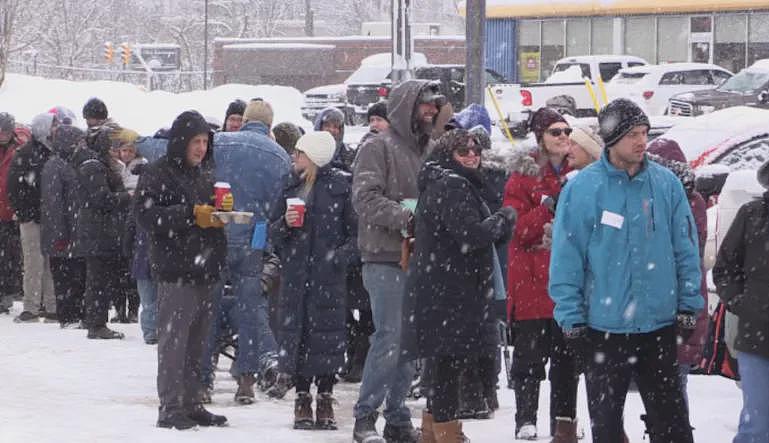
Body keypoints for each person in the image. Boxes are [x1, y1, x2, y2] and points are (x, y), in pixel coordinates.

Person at [549, 98, 703, 443]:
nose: (641, 141)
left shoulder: (666, 185)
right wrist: (571, 318)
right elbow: (566, 258)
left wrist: (689, 304)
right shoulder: (583, 189)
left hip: (659, 327)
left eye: (644, 133)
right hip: (604, 331)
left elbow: (685, 250)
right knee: (606, 429)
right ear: (611, 138)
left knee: (673, 429)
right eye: (632, 133)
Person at [351, 79, 446, 443]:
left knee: (411, 342)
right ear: (407, 106)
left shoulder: (432, 149)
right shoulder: (377, 147)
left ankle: (396, 415)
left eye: (435, 105)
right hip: (384, 257)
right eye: (426, 104)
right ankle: (365, 417)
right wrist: (407, 217)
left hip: (421, 258)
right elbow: (365, 199)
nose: (432, 110)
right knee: (390, 336)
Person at [406, 129, 516, 442]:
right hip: (451, 290)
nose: (472, 156)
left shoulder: (446, 182)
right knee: (447, 366)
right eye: (463, 151)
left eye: (475, 150)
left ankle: (434, 430)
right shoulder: (451, 185)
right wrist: (504, 220)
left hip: (444, 287)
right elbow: (470, 235)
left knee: (443, 365)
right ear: (447, 155)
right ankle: (446, 433)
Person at [134, 110, 230, 430]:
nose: (201, 148)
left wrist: (221, 214)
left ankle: (191, 402)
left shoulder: (204, 173)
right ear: (181, 142)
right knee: (174, 344)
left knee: (198, 343)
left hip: (205, 269)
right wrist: (189, 214)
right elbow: (147, 218)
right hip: (176, 271)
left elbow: (206, 217)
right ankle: (171, 406)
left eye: (204, 141)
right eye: (195, 141)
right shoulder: (158, 172)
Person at [270, 131, 357, 431]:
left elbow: (354, 235)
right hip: (296, 276)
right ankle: (303, 397)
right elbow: (272, 233)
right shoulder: (289, 184)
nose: (295, 158)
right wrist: (285, 224)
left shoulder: (341, 187)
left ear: (315, 157)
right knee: (300, 336)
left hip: (328, 278)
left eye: (300, 153)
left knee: (328, 337)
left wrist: (338, 259)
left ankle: (326, 396)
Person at [206, 98, 292, 404]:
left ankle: (204, 378)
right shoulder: (279, 155)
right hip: (254, 237)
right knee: (250, 306)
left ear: (243, 120)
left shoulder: (221, 142)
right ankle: (246, 379)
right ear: (269, 125)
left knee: (210, 303)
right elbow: (279, 203)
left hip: (217, 231)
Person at [503, 107, 574, 440]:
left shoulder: (580, 172)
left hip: (568, 284)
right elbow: (517, 229)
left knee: (567, 363)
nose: (563, 138)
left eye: (566, 131)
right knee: (530, 359)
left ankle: (564, 422)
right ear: (540, 137)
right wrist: (547, 207)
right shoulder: (522, 176)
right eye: (555, 132)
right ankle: (525, 419)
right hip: (531, 281)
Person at [646, 138, 710, 415]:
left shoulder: (687, 203)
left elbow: (682, 258)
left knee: (671, 392)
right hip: (663, 311)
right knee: (666, 391)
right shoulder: (687, 200)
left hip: (677, 311)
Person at [712, 159, 769, 443]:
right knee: (757, 426)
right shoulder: (752, 214)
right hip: (757, 338)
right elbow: (724, 268)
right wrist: (742, 302)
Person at [70, 123, 131, 339]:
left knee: (98, 277)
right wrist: (126, 197)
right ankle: (96, 323)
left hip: (96, 230)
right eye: (112, 147)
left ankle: (94, 320)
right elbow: (102, 199)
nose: (115, 151)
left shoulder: (91, 164)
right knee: (98, 278)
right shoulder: (94, 166)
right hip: (98, 231)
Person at [7, 113, 57, 323]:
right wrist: (26, 212)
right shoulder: (26, 153)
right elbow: (15, 187)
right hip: (32, 218)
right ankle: (32, 307)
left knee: (50, 263)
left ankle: (52, 306)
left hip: (49, 217)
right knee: (34, 261)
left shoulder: (52, 152)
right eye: (52, 126)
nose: (56, 130)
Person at [40, 125, 87, 328]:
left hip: (70, 233)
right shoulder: (54, 166)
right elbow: (53, 204)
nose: (79, 146)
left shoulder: (66, 164)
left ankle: (73, 314)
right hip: (61, 235)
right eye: (76, 142)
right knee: (64, 277)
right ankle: (67, 316)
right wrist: (60, 235)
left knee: (74, 276)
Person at [0, 113, 24, 315]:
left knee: (10, 256)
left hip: (10, 211)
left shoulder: (18, 150)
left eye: (6, 131)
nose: (3, 134)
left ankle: (6, 294)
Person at [314, 107, 355, 172]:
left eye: (335, 126)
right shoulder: (309, 151)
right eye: (327, 125)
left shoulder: (348, 154)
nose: (331, 130)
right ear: (319, 127)